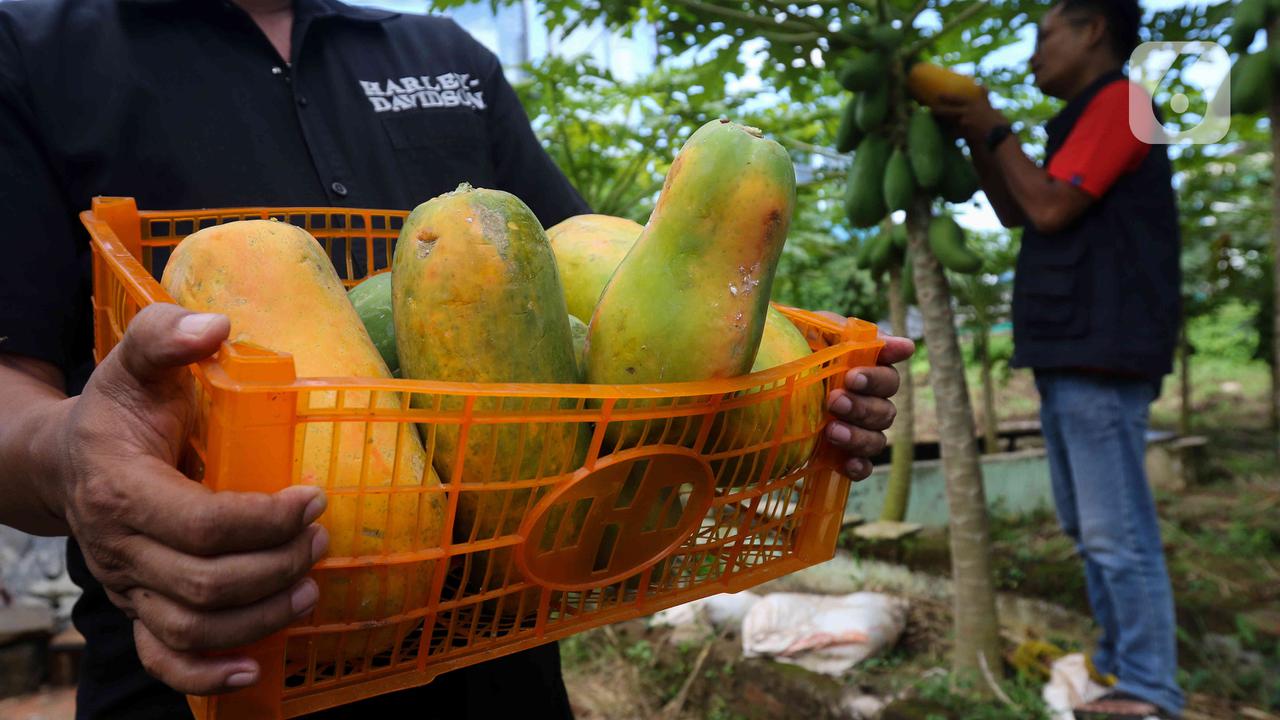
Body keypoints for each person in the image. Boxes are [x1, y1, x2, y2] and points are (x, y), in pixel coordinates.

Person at [0, 1, 913, 717]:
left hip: (503, 645)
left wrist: (785, 364)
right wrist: (72, 457)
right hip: (217, 658)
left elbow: (589, 278)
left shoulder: (445, 51)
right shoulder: (29, 49)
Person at [935, 1, 1182, 718]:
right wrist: (980, 141)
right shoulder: (1080, 117)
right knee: (1086, 527)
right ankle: (1116, 664)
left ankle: (1148, 689)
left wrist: (995, 125)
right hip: (1072, 345)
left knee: (1115, 531)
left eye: (1045, 35)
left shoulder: (1123, 101)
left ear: (1093, 29)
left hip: (1102, 346)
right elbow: (1017, 208)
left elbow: (1048, 208)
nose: (1033, 55)